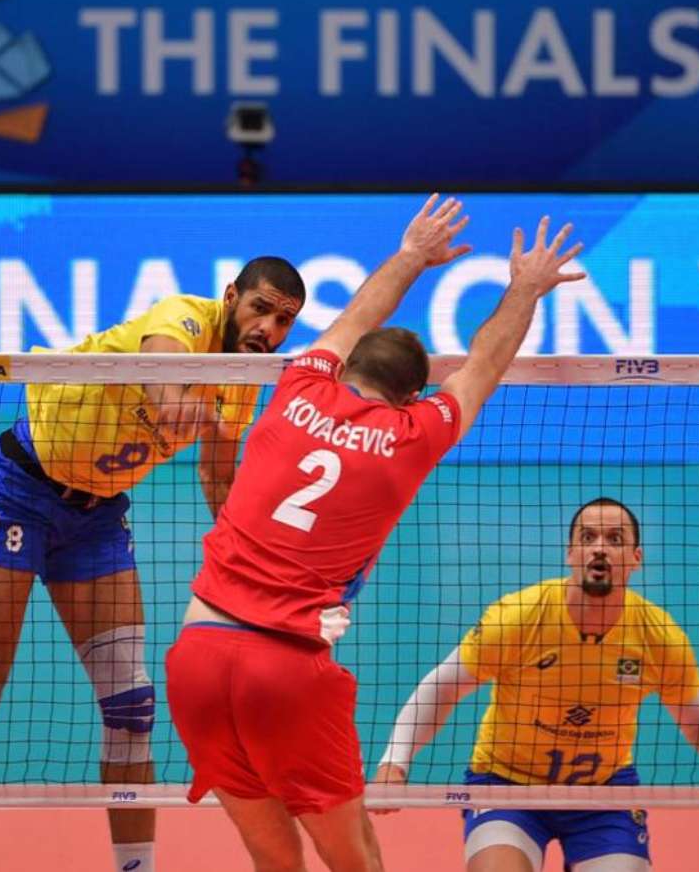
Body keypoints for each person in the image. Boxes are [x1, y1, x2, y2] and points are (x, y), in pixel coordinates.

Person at [165, 197, 587, 872]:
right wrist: (526, 288)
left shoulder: (298, 386)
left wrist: (413, 254)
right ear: (412, 398)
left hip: (197, 655)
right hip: (285, 670)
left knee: (272, 858)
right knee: (353, 856)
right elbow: (483, 364)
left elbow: (358, 315)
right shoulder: (414, 434)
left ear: (345, 367)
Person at [0, 259, 306, 872]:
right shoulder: (184, 317)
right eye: (260, 308)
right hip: (20, 492)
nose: (269, 328)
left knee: (131, 707)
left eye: (284, 320)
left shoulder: (244, 377)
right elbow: (159, 361)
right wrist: (173, 400)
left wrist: (253, 564)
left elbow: (217, 474)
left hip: (97, 518)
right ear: (231, 296)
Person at [374, 496, 699, 872]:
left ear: (636, 558)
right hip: (506, 786)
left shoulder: (660, 637)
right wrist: (395, 761)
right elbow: (441, 688)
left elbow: (698, 723)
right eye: (587, 538)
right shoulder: (518, 617)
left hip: (603, 794)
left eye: (614, 539)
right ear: (570, 553)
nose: (599, 548)